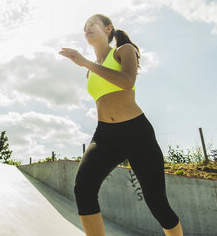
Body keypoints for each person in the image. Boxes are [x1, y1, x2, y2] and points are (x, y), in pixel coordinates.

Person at [58, 14, 184, 236]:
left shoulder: (123, 51)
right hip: (105, 135)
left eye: (92, 24)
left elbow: (127, 81)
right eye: (84, 27)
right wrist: (88, 64)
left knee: (157, 204)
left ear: (108, 29)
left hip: (136, 132)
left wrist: (85, 62)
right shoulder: (90, 71)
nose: (87, 28)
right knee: (83, 189)